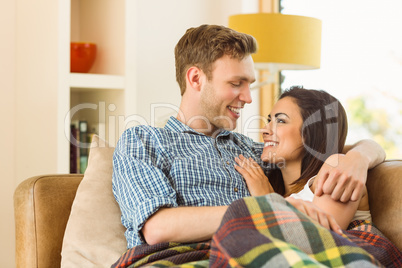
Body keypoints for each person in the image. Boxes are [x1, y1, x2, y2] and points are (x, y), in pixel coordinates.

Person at [112, 24, 385, 249]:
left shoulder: (253, 152)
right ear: (195, 79)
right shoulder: (143, 141)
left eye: (249, 84)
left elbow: (321, 146)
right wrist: (269, 209)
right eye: (235, 84)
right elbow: (158, 228)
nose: (248, 97)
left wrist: (360, 157)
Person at [235, 86, 370, 230]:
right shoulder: (271, 184)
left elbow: (318, 242)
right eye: (269, 120)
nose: (265, 130)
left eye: (280, 121)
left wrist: (266, 200)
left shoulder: (337, 174)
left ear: (311, 133)